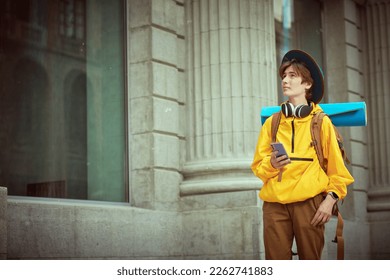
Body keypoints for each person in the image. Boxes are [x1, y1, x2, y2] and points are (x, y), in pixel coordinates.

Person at [251, 49, 354, 260]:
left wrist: (329, 201)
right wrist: (272, 164)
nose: (285, 81)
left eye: (292, 76)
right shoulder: (272, 123)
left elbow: (338, 172)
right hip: (274, 206)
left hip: (310, 204)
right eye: (284, 76)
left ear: (307, 84)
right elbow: (258, 169)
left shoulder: (321, 122)